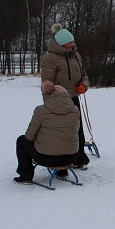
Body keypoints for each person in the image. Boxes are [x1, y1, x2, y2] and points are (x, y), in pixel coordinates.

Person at [40, 24, 91, 170]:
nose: (72, 45)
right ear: (61, 44)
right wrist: (50, 101)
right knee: (62, 131)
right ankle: (60, 159)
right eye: (70, 42)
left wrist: (83, 85)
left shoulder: (76, 55)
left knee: (77, 128)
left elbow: (84, 75)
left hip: (74, 98)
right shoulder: (50, 58)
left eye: (73, 41)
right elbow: (47, 83)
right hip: (58, 101)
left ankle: (79, 158)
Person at [14, 81, 80, 184]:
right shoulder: (75, 110)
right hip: (71, 157)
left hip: (47, 158)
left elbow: (29, 136)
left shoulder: (40, 111)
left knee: (21, 141)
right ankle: (62, 172)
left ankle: (26, 175)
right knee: (64, 139)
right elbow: (76, 129)